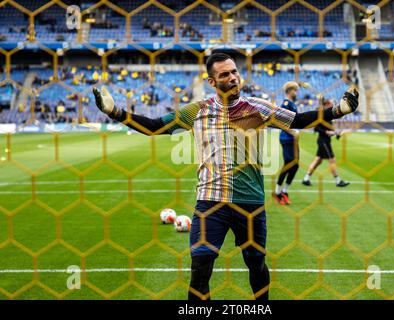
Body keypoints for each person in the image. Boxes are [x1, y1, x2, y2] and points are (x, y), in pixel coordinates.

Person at [92, 53, 359, 300]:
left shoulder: (258, 108)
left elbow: (298, 120)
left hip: (250, 203)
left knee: (256, 264)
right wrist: (114, 112)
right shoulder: (195, 112)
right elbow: (153, 127)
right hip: (210, 203)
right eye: (224, 75)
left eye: (234, 72)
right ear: (211, 81)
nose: (232, 78)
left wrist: (338, 110)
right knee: (200, 267)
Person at [302, 98, 350, 188]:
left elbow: (329, 130)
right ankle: (338, 180)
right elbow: (317, 128)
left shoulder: (327, 116)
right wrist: (329, 133)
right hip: (323, 141)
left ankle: (306, 178)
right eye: (330, 104)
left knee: (318, 161)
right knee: (332, 160)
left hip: (324, 140)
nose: (332, 105)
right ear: (326, 104)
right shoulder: (321, 115)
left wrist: (337, 133)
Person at [273, 81, 301, 205]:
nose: (297, 92)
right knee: (289, 164)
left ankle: (284, 191)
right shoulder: (285, 104)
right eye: (295, 90)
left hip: (293, 139)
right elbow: (280, 122)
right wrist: (292, 132)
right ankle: (277, 191)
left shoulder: (293, 104)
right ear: (289, 91)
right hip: (286, 138)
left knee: (295, 165)